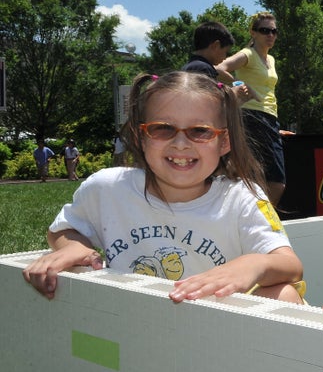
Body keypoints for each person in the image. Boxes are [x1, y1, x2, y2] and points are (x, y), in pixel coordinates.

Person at [22, 71, 305, 306]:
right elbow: (62, 229)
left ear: (224, 142)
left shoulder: (242, 197)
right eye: (163, 128)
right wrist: (74, 247)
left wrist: (253, 264)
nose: (181, 144)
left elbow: (290, 266)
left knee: (284, 295)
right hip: (135, 324)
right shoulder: (107, 187)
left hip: (217, 329)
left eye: (200, 131)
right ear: (140, 136)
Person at [216, 11, 287, 207]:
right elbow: (220, 68)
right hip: (251, 116)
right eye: (265, 30)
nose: (270, 35)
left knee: (256, 177)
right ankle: (261, 220)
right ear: (253, 33)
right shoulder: (248, 54)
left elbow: (267, 90)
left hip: (268, 119)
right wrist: (237, 84)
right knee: (275, 181)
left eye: (274, 31)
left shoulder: (270, 59)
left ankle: (250, 219)